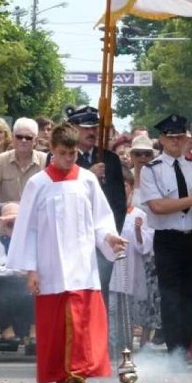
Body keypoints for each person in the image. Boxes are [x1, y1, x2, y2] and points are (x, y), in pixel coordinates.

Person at [6, 124, 126, 383]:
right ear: (52, 151)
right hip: (51, 269)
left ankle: (74, 380)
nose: (69, 159)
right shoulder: (38, 184)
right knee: (59, 330)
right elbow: (28, 230)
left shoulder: (86, 180)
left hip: (82, 267)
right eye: (63, 153)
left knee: (81, 325)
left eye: (72, 153)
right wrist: (31, 269)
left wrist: (109, 237)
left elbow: (99, 220)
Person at [140, 114, 192, 358]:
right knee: (170, 295)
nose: (176, 141)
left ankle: (186, 347)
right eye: (171, 137)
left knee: (190, 294)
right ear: (161, 139)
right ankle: (174, 349)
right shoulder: (152, 170)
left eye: (180, 137)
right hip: (167, 238)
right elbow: (157, 206)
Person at [66, 105, 128, 302]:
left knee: (100, 293)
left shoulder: (110, 159)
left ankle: (101, 333)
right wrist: (88, 174)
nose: (92, 132)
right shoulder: (63, 159)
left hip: (102, 240)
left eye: (94, 127)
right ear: (73, 128)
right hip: (72, 239)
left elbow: (118, 203)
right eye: (86, 127)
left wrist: (111, 233)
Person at [108, 167, 154, 356]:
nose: (122, 189)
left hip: (131, 268)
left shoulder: (140, 215)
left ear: (132, 189)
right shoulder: (109, 213)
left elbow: (145, 246)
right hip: (112, 269)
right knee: (111, 308)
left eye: (125, 185)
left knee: (127, 310)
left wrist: (137, 232)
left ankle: (125, 344)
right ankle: (110, 344)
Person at [0, 202, 36, 354]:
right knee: (3, 285)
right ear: (3, 226)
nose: (15, 228)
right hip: (6, 289)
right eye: (10, 224)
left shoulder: (35, 242)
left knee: (35, 288)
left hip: (30, 287)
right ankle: (8, 333)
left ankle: (34, 334)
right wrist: (15, 271)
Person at [0, 117, 46, 223]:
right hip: (7, 223)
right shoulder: (1, 160)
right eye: (19, 137)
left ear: (36, 141)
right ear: (12, 137)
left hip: (36, 221)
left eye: (28, 138)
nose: (23, 141)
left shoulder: (45, 161)